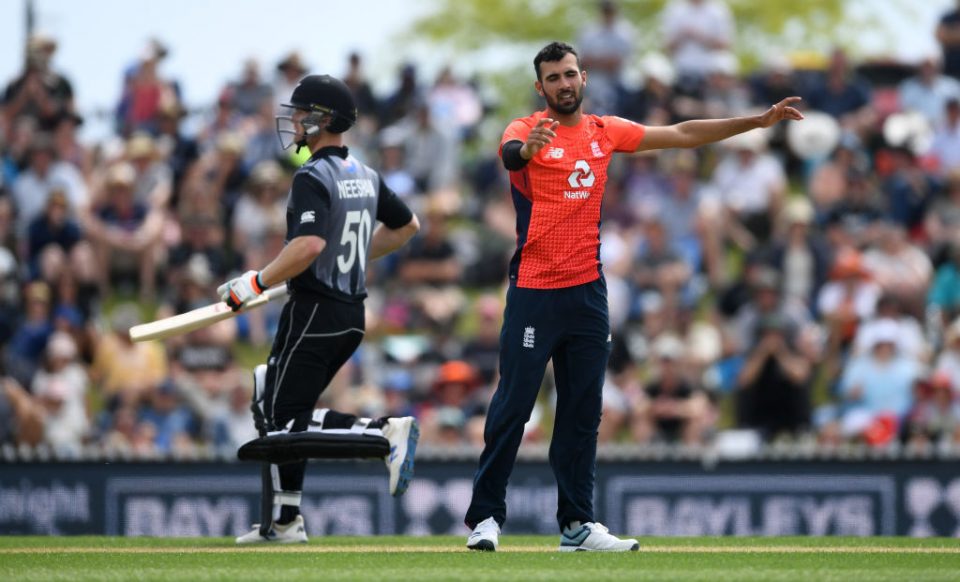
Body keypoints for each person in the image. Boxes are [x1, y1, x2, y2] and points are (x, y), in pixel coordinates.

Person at [464, 41, 803, 553]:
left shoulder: (604, 132)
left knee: (582, 411)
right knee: (514, 406)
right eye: (553, 77)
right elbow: (512, 153)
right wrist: (530, 150)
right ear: (541, 87)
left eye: (571, 74)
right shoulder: (524, 128)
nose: (564, 84)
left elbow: (684, 134)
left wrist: (754, 123)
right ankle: (486, 518)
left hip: (587, 294)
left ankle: (577, 525)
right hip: (535, 291)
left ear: (584, 78)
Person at [220, 74, 421, 544]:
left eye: (299, 113)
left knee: (282, 419)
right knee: (271, 396)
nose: (292, 122)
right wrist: (344, 256)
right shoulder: (365, 175)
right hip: (349, 316)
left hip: (315, 311)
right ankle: (286, 521)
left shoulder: (312, 175)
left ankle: (382, 433)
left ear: (321, 120)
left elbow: (308, 243)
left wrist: (254, 281)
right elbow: (408, 225)